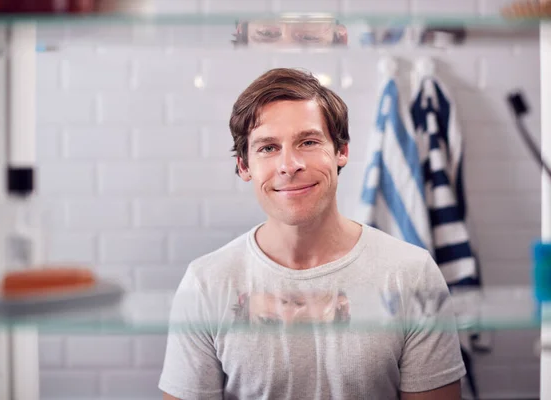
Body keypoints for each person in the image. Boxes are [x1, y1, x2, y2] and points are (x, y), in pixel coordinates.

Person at [159, 67, 466, 399]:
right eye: (267, 148)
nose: (289, 165)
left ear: (341, 151)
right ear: (244, 166)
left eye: (308, 142)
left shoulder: (412, 273)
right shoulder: (206, 283)